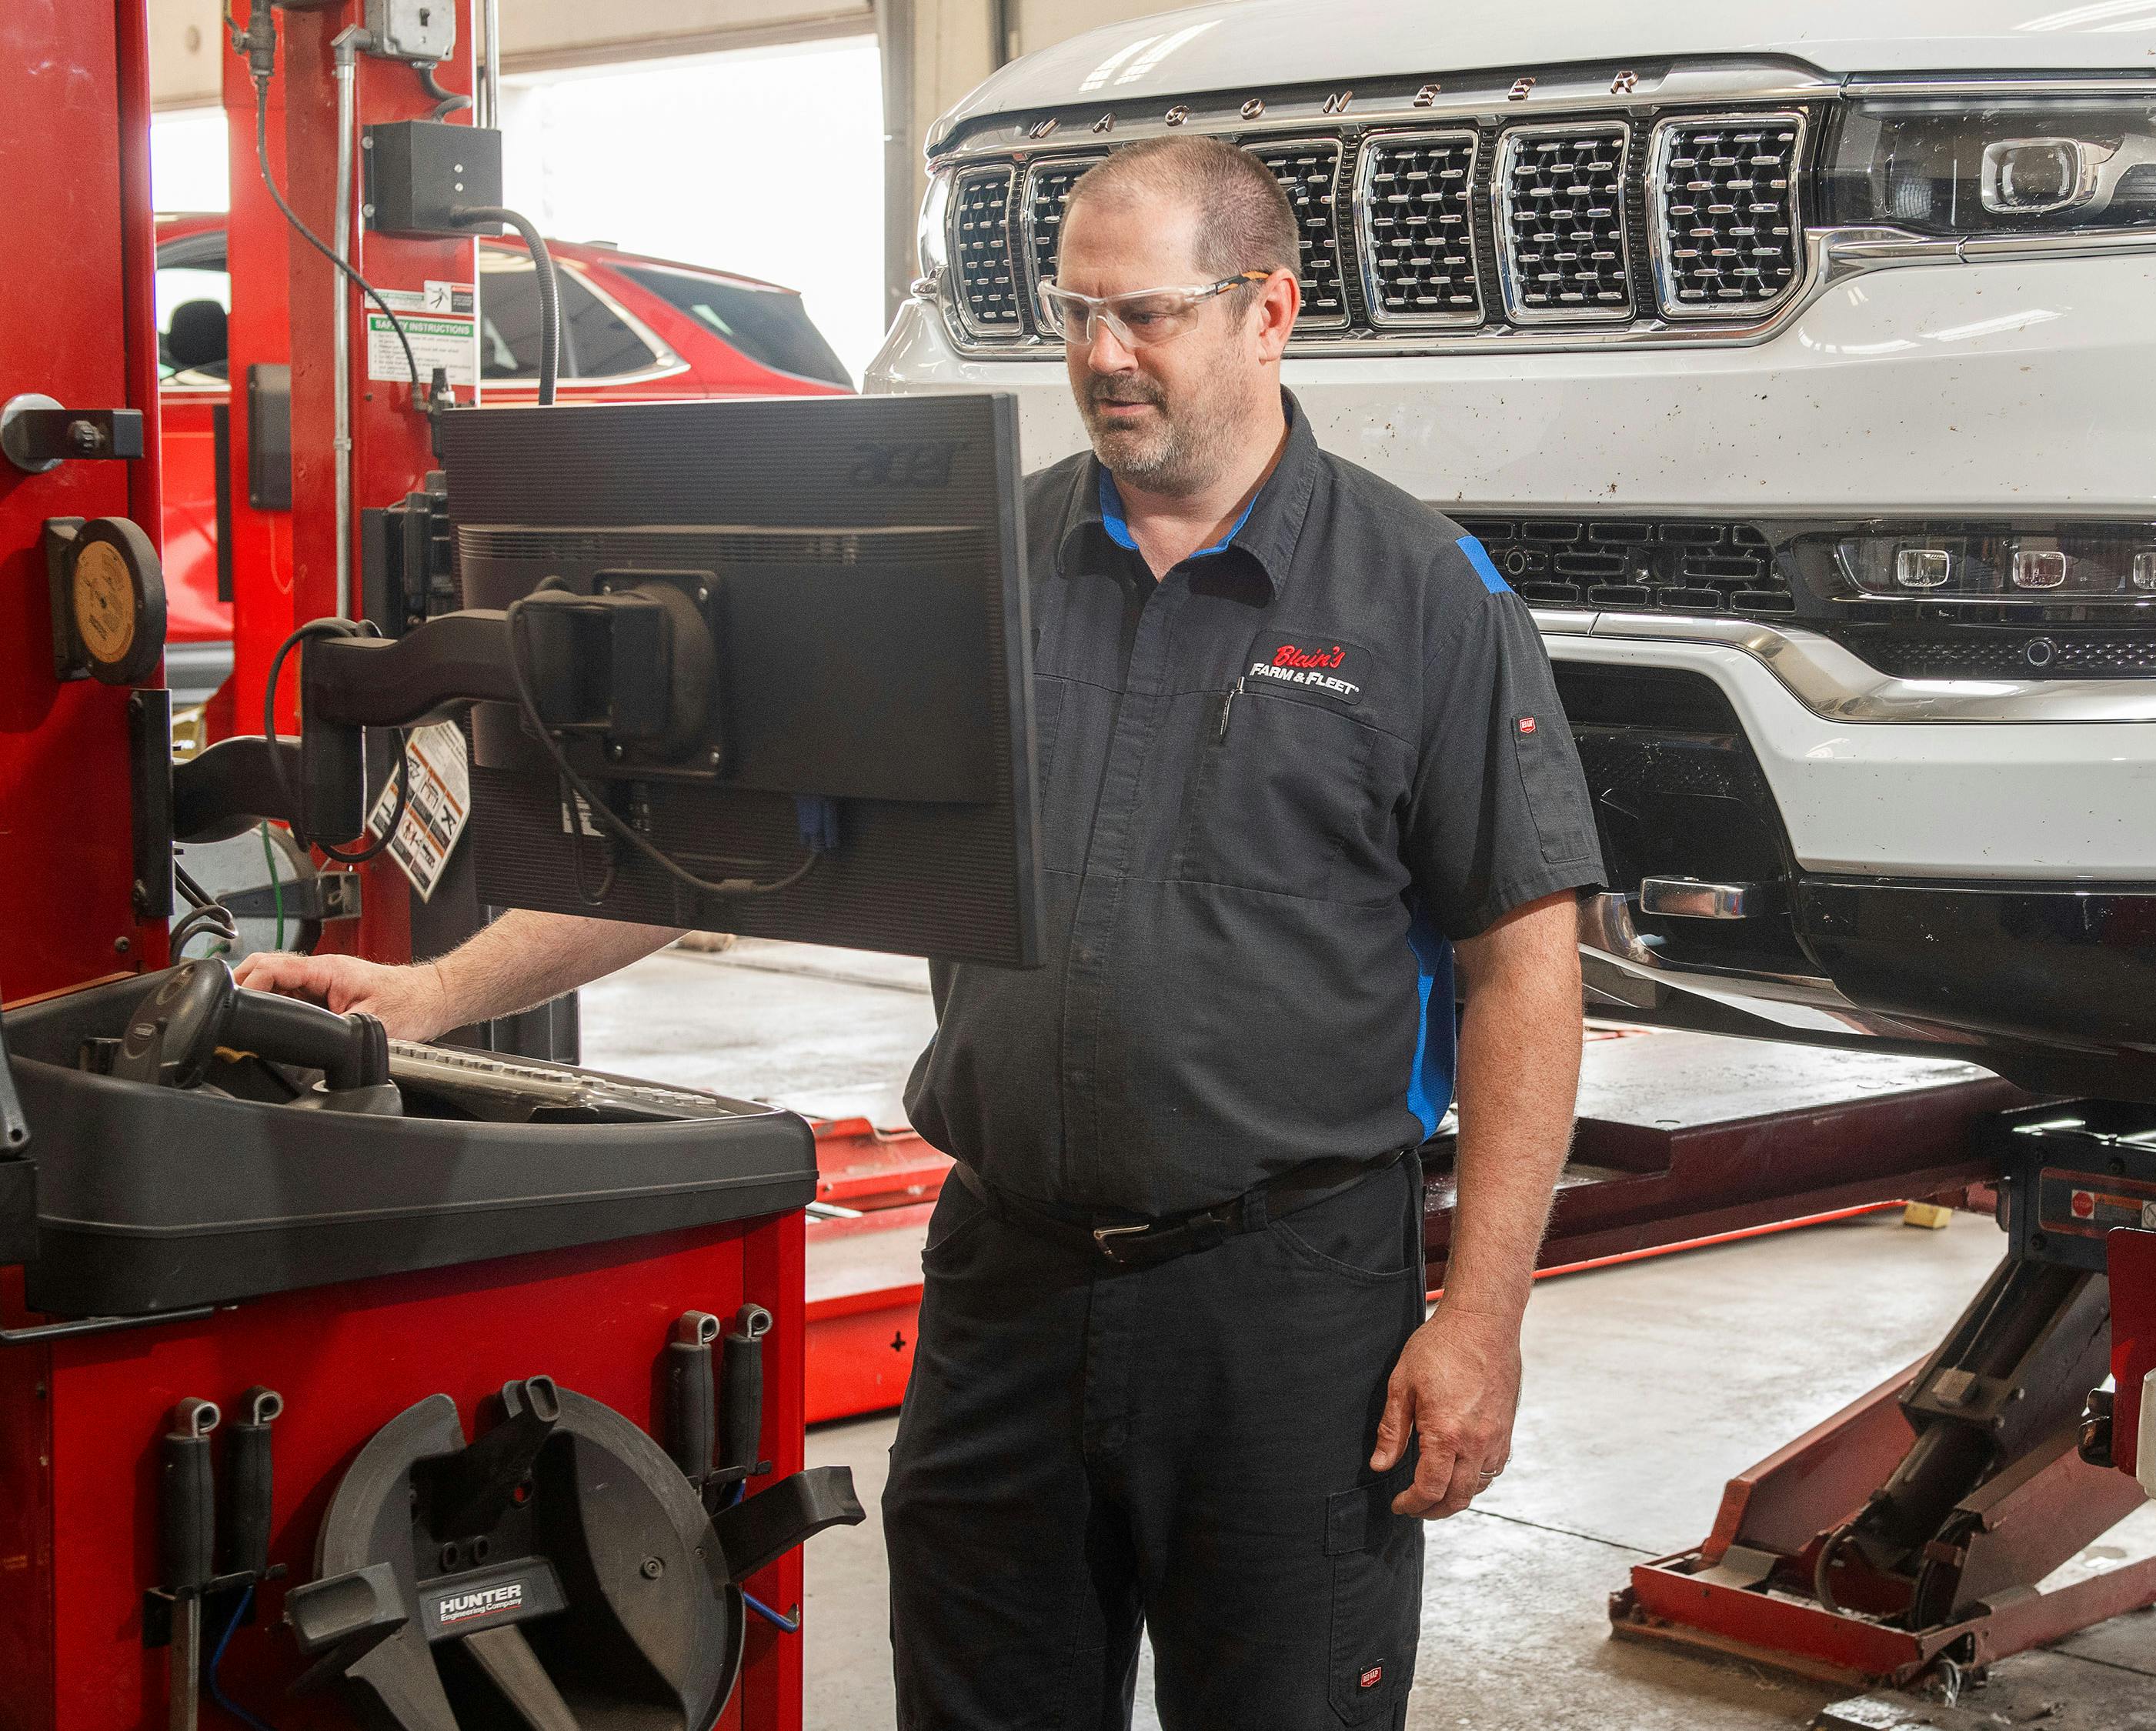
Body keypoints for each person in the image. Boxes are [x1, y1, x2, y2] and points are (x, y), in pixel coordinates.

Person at [237, 135, 1606, 1731]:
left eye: (1146, 314)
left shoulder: (1422, 594)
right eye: (1074, 314)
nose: (1102, 357)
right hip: (1007, 1285)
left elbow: (1525, 966)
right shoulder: (973, 578)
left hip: (1285, 1305)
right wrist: (430, 993)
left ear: (1268, 311)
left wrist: (1482, 1316)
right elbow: (724, 854)